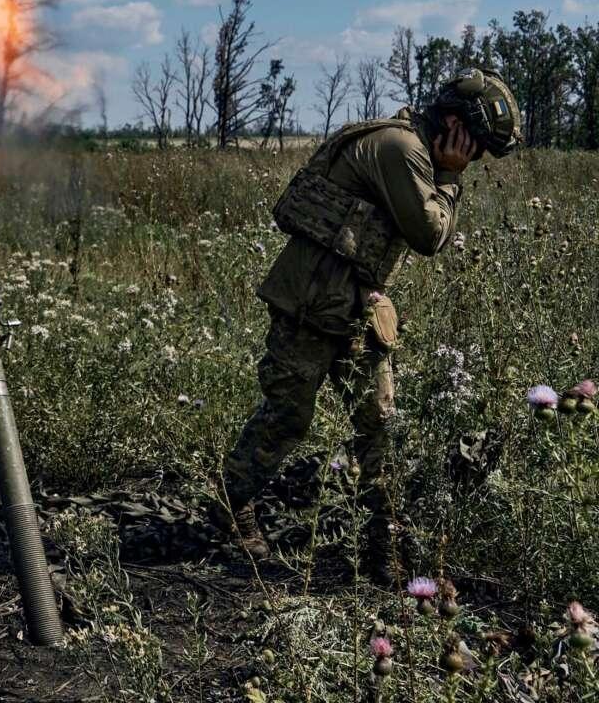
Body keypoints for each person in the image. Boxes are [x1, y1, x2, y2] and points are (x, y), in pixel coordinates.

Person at [212, 69, 522, 581]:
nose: (476, 159)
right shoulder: (401, 149)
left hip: (358, 307)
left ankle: (384, 544)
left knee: (380, 425)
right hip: (310, 304)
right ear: (453, 123)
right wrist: (448, 179)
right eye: (478, 147)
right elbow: (429, 234)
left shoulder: (410, 145)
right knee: (287, 415)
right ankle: (231, 507)